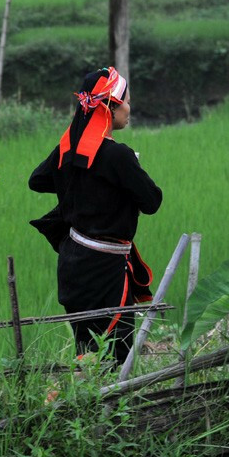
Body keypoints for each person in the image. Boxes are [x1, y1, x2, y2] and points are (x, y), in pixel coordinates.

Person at [28, 66, 162, 376]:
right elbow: (152, 201)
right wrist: (120, 181)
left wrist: (80, 182)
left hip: (74, 262)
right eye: (126, 100)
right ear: (112, 106)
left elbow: (38, 180)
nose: (130, 108)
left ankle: (81, 408)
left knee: (87, 350)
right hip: (105, 269)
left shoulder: (68, 149)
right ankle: (107, 414)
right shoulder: (118, 156)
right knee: (117, 357)